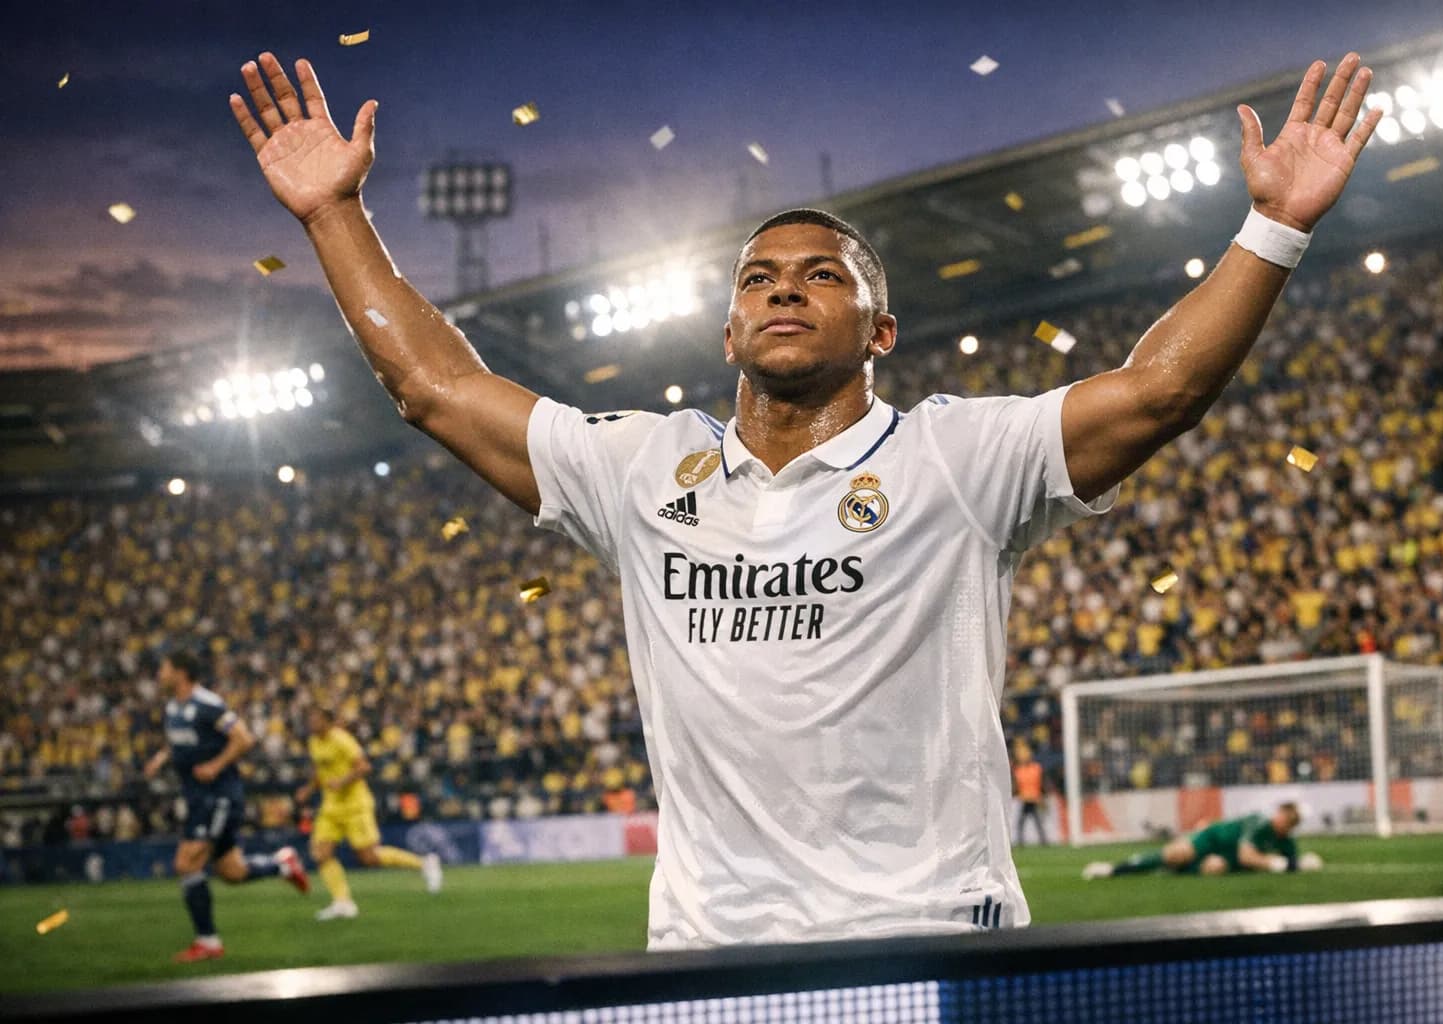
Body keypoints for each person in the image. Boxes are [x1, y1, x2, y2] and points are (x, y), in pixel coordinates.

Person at [230, 50, 1379, 947]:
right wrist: (334, 212)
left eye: (822, 274)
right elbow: (434, 388)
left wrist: (1275, 224)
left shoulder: (958, 460)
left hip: (928, 941)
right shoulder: (640, 469)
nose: (785, 285)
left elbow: (1159, 392)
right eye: (759, 279)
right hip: (709, 959)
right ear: (728, 329)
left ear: (880, 330)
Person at [142, 647, 308, 962]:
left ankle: (208, 942)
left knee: (187, 863)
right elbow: (180, 739)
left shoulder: (208, 704)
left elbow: (244, 738)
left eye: (163, 668)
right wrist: (161, 757)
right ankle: (283, 864)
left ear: (180, 672)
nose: (159, 674)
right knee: (232, 872)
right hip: (197, 797)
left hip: (217, 795)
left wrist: (216, 766)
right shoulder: (173, 707)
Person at [298, 705, 442, 920]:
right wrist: (309, 789)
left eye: (315, 718)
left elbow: (364, 767)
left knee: (369, 857)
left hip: (355, 805)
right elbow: (321, 771)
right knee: (321, 853)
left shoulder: (342, 740)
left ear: (327, 721)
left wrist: (342, 781)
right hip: (331, 807)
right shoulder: (314, 742)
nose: (311, 722)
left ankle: (424, 863)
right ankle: (343, 902)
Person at [1081, 803, 1321, 878]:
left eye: (1288, 819)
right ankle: (1114, 869)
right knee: (1176, 855)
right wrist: (1280, 865)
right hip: (1211, 839)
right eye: (1283, 814)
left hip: (1225, 858)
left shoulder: (1286, 843)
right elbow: (1246, 856)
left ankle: (1170, 871)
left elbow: (1292, 860)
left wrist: (1299, 863)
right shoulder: (1259, 824)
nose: (1282, 820)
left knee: (1214, 869)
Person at [1012, 740, 1048, 846]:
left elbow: (1042, 783)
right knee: (1028, 822)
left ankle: (1039, 841)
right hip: (1026, 799)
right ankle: (1038, 841)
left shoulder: (1035, 768)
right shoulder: (1019, 770)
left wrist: (1043, 796)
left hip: (1033, 799)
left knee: (1027, 822)